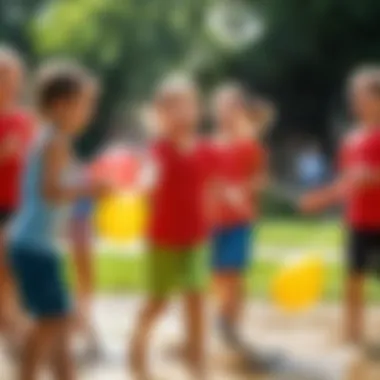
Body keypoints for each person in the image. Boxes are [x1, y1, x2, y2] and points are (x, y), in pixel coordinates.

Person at [7, 61, 110, 380]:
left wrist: (89, 186)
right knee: (53, 320)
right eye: (85, 104)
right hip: (33, 247)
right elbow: (50, 190)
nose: (89, 112)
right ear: (61, 105)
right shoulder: (54, 141)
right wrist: (89, 189)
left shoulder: (56, 140)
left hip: (39, 246)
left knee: (60, 328)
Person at [130, 76, 214, 380]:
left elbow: (213, 182)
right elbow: (149, 175)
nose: (181, 112)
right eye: (173, 106)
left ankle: (197, 363)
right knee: (158, 301)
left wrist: (231, 196)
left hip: (195, 238)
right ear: (159, 113)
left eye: (187, 104)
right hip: (163, 238)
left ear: (197, 110)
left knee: (196, 298)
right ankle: (137, 345)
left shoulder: (204, 149)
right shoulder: (158, 149)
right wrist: (144, 183)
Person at [300, 66, 380, 345]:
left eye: (359, 95)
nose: (354, 101)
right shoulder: (351, 140)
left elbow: (364, 177)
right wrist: (320, 198)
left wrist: (370, 176)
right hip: (358, 222)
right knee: (353, 280)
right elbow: (346, 183)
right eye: (352, 96)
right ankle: (353, 335)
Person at [209, 84, 271, 348]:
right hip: (213, 221)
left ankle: (230, 324)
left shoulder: (250, 145)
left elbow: (261, 180)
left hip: (239, 220)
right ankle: (223, 318)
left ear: (241, 110)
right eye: (222, 106)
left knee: (234, 273)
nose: (227, 112)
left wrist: (242, 190)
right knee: (218, 274)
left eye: (233, 106)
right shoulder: (210, 145)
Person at [0, 45, 34, 345]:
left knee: (13, 267)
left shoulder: (25, 120)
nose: (9, 83)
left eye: (13, 77)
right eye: (3, 76)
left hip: (19, 205)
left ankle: (12, 325)